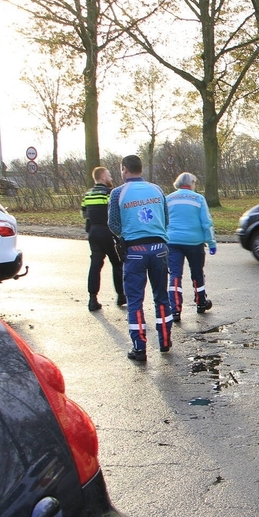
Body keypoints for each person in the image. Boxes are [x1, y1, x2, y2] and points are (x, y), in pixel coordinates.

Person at [108, 155, 172, 362]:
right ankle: (164, 341)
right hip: (159, 247)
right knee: (161, 296)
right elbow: (166, 219)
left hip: (134, 249)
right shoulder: (157, 190)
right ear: (141, 169)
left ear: (124, 169)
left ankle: (140, 347)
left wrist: (127, 234)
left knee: (135, 300)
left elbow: (113, 224)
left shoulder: (118, 193)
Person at [165, 172, 216, 322]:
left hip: (172, 241)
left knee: (175, 275)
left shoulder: (168, 199)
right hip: (194, 242)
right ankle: (201, 303)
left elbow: (163, 220)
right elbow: (206, 222)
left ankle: (174, 309)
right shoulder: (198, 199)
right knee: (197, 273)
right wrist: (211, 242)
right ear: (191, 183)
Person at [81, 166, 125, 311]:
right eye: (108, 175)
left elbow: (84, 214)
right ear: (102, 177)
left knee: (95, 265)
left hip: (93, 232)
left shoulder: (87, 195)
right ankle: (121, 295)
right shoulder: (109, 193)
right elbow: (114, 213)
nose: (110, 178)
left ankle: (92, 298)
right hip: (108, 232)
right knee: (117, 263)